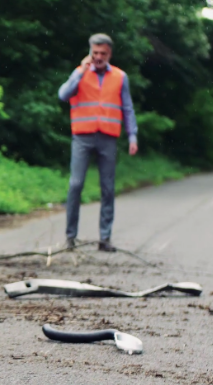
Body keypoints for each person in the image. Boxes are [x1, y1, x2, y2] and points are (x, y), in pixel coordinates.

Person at [58, 33, 139, 252]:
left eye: (103, 53)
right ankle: (70, 237)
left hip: (108, 138)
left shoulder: (120, 77)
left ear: (109, 53)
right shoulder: (80, 72)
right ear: (90, 52)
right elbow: (63, 95)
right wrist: (81, 71)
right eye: (95, 53)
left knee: (107, 188)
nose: (98, 57)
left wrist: (132, 136)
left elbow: (128, 108)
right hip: (82, 136)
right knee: (75, 185)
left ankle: (105, 239)